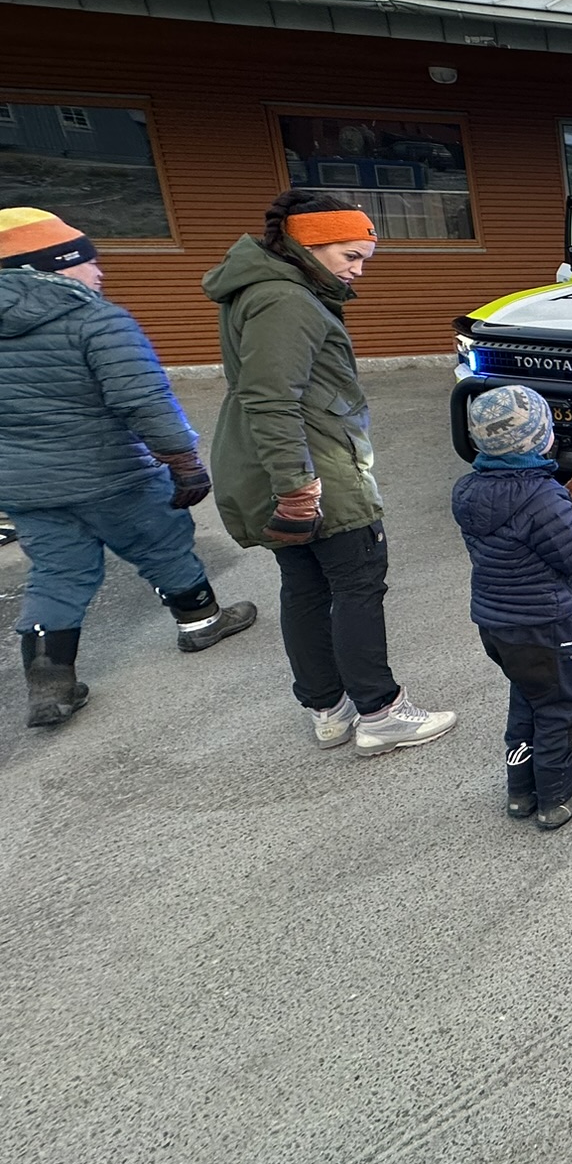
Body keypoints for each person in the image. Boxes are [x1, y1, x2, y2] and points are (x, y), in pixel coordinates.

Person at [202, 191, 456, 755]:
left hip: (280, 460)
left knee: (306, 587)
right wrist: (297, 488)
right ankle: (381, 713)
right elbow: (272, 398)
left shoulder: (264, 287)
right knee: (356, 583)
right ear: (309, 244)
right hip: (316, 467)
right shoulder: (285, 299)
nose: (358, 270)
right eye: (351, 255)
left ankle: (329, 709)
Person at [0, 208, 257, 727]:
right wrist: (183, 461)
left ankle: (50, 684)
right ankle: (201, 622)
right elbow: (143, 399)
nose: (99, 273)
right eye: (87, 262)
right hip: (114, 475)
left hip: (26, 487)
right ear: (52, 266)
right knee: (161, 544)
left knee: (56, 572)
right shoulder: (96, 320)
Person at [452, 385, 572, 829]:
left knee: (527, 700)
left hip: (496, 625)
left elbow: (516, 525)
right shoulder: (542, 497)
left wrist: (568, 501)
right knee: (558, 710)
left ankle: (521, 792)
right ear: (540, 439)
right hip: (544, 627)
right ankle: (557, 796)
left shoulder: (468, 490)